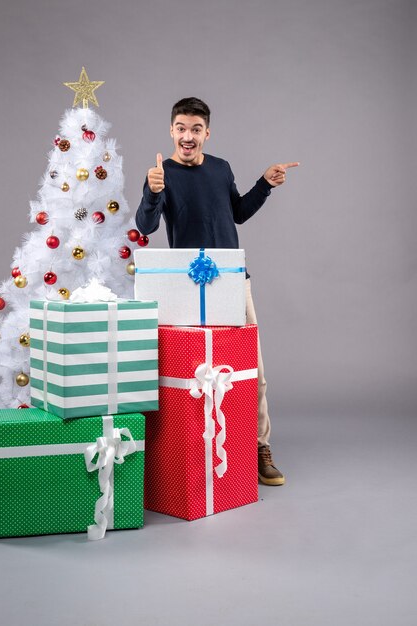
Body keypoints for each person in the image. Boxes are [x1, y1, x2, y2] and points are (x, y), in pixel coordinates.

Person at [136, 97, 299, 486]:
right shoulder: (161, 174)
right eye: (181, 128)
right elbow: (145, 226)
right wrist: (153, 192)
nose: (187, 136)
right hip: (186, 284)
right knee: (185, 370)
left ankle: (260, 447)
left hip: (232, 279)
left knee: (253, 371)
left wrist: (264, 184)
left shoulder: (222, 168)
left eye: (195, 129)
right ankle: (185, 451)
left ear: (206, 133)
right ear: (171, 131)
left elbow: (237, 212)